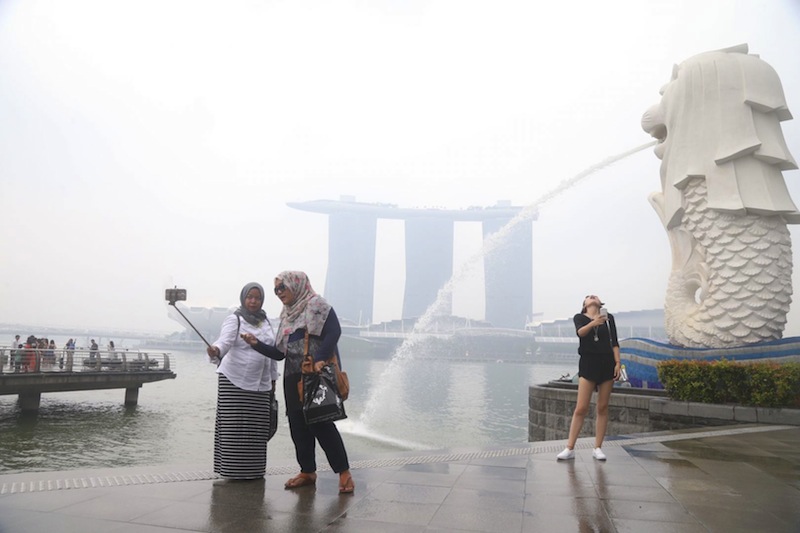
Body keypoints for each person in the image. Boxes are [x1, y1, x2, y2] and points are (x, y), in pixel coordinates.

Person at [243, 271, 354, 494]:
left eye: (282, 288)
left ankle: (344, 472)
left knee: (321, 423)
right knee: (297, 426)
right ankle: (307, 471)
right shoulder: (287, 314)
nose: (279, 293)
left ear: (296, 285)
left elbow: (334, 331)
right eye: (276, 290)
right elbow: (279, 353)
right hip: (293, 377)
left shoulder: (316, 304)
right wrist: (256, 344)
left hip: (314, 373)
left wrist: (321, 358)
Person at [205, 282, 280, 480]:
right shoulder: (235, 319)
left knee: (257, 430)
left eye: (257, 298)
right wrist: (216, 350)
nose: (253, 301)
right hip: (234, 381)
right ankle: (232, 471)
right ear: (243, 298)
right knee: (234, 429)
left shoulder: (267, 322)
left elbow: (271, 353)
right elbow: (224, 342)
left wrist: (273, 380)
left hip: (261, 385)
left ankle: (253, 471)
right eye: (250, 297)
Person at [557, 294, 621, 462]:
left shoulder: (609, 318)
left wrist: (617, 363)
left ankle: (598, 447)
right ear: (584, 305)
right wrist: (594, 322)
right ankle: (569, 448)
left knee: (602, 407)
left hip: (607, 363)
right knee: (581, 408)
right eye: (588, 297)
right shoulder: (580, 317)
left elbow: (615, 342)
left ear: (600, 303)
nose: (592, 297)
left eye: (595, 296)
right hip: (588, 363)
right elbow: (581, 333)